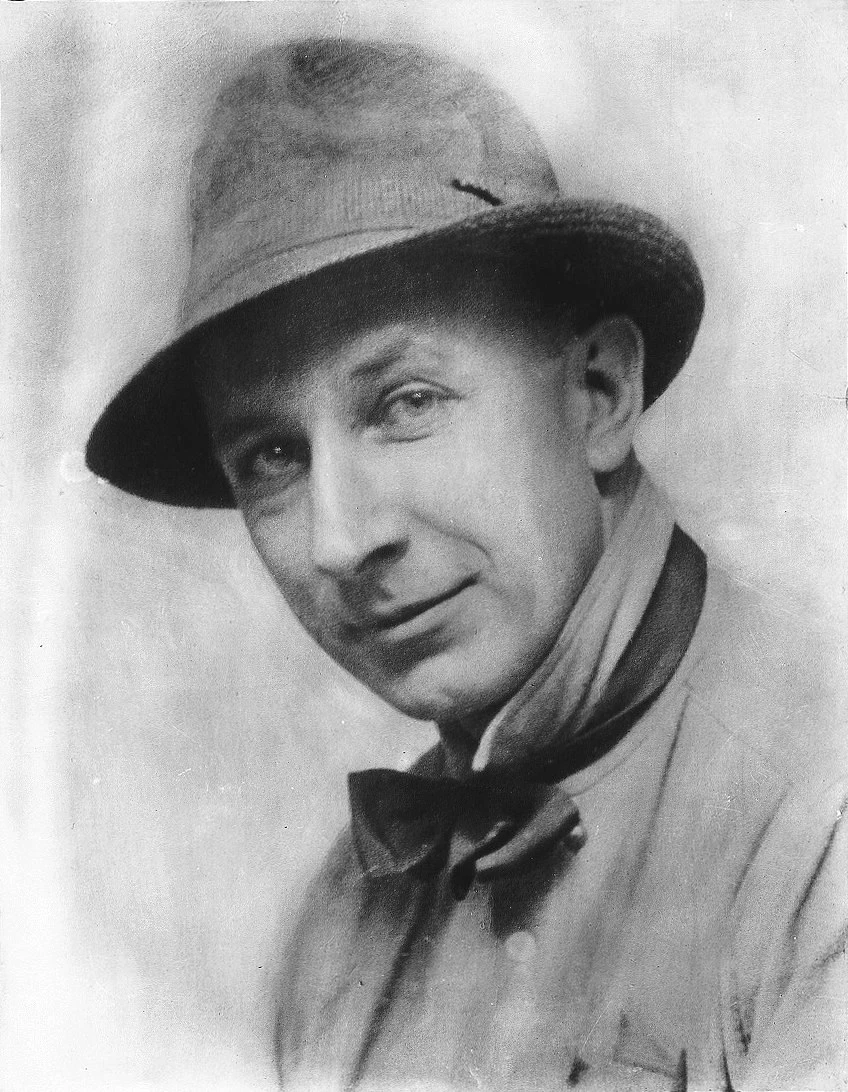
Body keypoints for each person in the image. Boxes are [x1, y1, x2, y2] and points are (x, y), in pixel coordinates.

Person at [85, 36, 847, 1092]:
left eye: (406, 403)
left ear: (596, 394)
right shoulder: (340, 929)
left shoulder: (820, 821)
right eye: (272, 458)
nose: (340, 541)